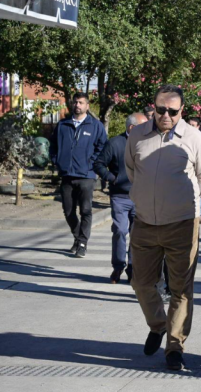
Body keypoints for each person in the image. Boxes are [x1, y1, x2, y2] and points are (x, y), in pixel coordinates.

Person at [125, 85, 201, 370]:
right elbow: (131, 170)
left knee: (181, 289)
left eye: (172, 111)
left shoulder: (195, 138)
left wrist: (182, 204)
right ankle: (158, 324)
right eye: (160, 109)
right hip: (145, 223)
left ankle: (174, 347)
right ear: (153, 106)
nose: (166, 115)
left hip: (182, 226)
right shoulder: (137, 135)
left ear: (181, 111)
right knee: (140, 282)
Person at [50, 92, 108, 258]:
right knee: (68, 211)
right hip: (67, 174)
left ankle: (82, 242)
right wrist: (56, 160)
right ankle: (77, 237)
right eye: (75, 102)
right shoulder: (63, 125)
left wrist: (91, 163)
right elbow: (52, 145)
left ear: (87, 106)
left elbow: (102, 147)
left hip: (86, 175)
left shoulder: (95, 126)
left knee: (86, 210)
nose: (78, 105)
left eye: (81, 103)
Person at [93, 112, 148, 283]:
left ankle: (133, 269)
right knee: (120, 230)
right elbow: (98, 164)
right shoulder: (115, 143)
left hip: (141, 196)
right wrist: (112, 178)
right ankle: (118, 267)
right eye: (143, 126)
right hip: (120, 196)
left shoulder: (148, 143)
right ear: (132, 128)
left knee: (136, 234)